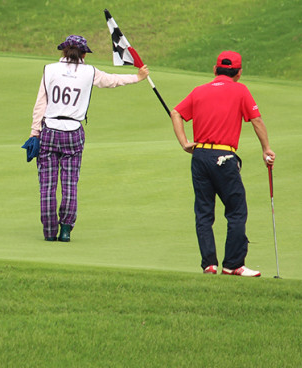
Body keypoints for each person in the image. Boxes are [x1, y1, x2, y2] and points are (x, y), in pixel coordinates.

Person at [29, 35, 149, 242]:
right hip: (73, 132)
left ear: (64, 51)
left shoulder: (49, 69)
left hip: (49, 130)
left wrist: (34, 133)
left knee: (47, 185)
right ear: (84, 54)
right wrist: (137, 77)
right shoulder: (89, 72)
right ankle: (65, 230)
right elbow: (112, 81)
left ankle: (49, 231)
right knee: (70, 183)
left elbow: (41, 104)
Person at [170, 51, 275, 277]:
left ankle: (209, 265)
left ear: (214, 69)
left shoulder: (199, 91)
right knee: (236, 211)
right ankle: (233, 265)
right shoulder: (240, 90)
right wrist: (266, 148)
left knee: (204, 212)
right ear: (239, 72)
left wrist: (185, 143)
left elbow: (175, 113)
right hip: (224, 157)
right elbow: (256, 120)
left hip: (199, 156)